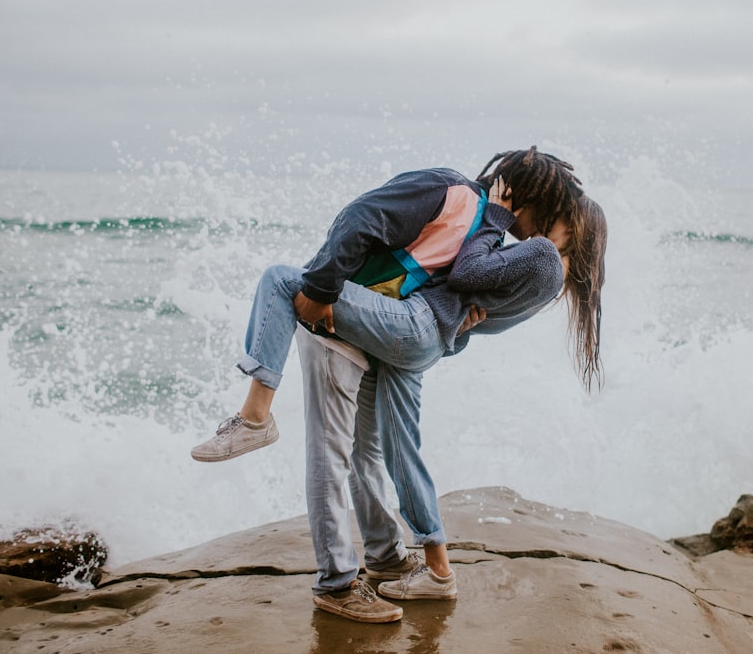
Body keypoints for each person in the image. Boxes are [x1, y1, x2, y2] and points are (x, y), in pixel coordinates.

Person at [191, 149, 606, 622]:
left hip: (395, 326)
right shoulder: (479, 218)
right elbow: (461, 294)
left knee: (285, 285)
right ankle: (396, 561)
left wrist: (326, 288)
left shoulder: (522, 245)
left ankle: (258, 420)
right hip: (395, 332)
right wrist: (452, 325)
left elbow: (463, 278)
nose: (534, 224)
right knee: (384, 451)